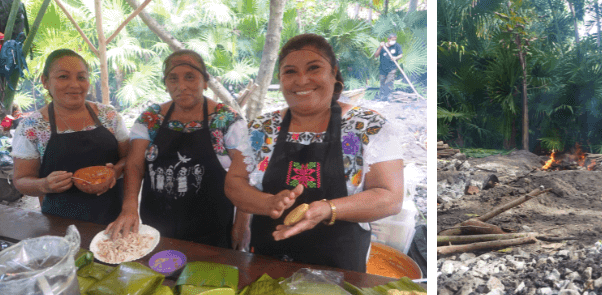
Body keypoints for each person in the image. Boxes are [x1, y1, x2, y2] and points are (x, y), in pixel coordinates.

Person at [225, 34, 403, 272]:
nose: (302, 80)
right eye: (290, 72)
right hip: (268, 264)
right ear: (280, 78)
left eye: (314, 68)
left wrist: (328, 209)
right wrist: (267, 202)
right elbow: (235, 182)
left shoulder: (367, 127)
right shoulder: (260, 129)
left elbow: (390, 198)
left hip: (340, 272)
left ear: (334, 73)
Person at [105, 50, 253, 249]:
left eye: (190, 77)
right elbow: (134, 164)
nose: (181, 86)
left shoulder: (227, 120)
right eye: (173, 79)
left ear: (206, 81)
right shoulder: (151, 118)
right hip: (156, 229)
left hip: (212, 231)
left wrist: (242, 224)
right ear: (166, 84)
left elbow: (246, 174)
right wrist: (129, 206)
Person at [12, 49, 129, 224]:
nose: (75, 85)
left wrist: (116, 171)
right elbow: (21, 180)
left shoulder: (109, 116)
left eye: (81, 77)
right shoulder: (32, 127)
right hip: (60, 222)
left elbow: (130, 158)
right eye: (63, 77)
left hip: (114, 217)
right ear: (45, 81)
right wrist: (44, 185)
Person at [373, 34, 402, 101]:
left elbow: (401, 55)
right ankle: (382, 97)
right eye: (392, 40)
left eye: (395, 40)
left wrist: (396, 57)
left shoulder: (397, 46)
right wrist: (380, 47)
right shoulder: (382, 46)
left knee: (389, 82)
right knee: (382, 82)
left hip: (392, 68)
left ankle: (388, 96)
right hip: (383, 68)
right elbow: (376, 55)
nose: (394, 41)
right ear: (388, 39)